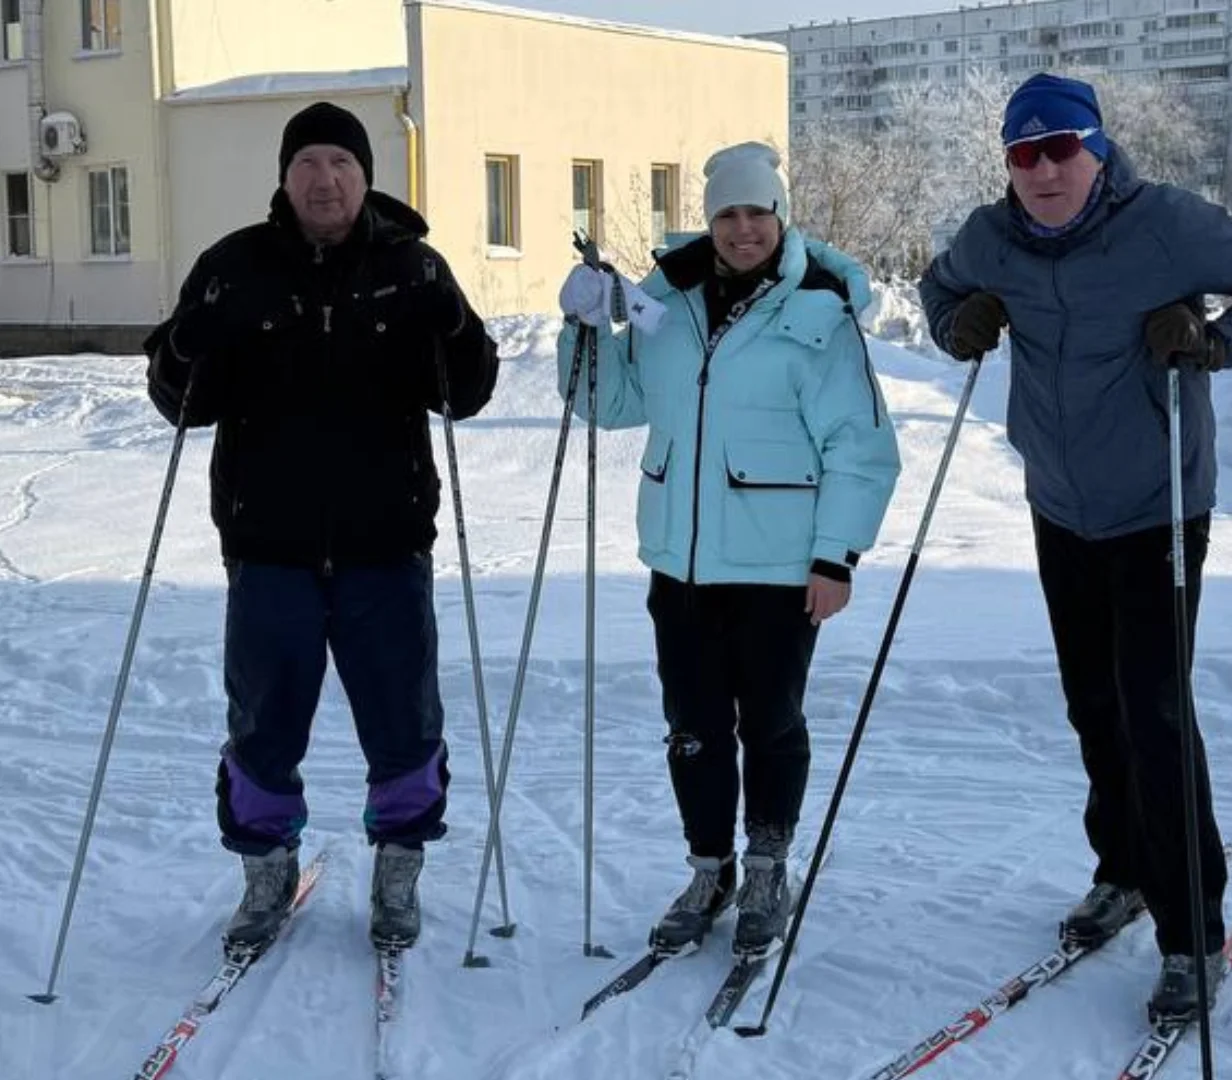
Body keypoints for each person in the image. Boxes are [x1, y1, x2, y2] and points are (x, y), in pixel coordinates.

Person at [920, 73, 1232, 1019]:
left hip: (1158, 504)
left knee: (1154, 712)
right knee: (1093, 703)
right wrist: (960, 324)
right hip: (1059, 505)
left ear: (1098, 150)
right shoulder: (994, 236)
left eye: (1061, 147)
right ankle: (1122, 870)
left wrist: (1216, 339)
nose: (1042, 170)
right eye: (1023, 154)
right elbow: (939, 285)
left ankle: (1191, 931)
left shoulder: (1166, 226)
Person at [144, 101, 500, 955]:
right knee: (263, 722)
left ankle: (399, 871)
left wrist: (453, 323)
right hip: (268, 547)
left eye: (340, 162)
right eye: (307, 163)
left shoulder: (411, 266)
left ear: (365, 175)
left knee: (404, 721)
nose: (324, 179)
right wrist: (185, 342)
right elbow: (176, 403)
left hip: (386, 543)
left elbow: (469, 388)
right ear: (285, 176)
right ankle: (267, 874)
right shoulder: (235, 267)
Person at [556, 142, 902, 958]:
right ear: (707, 220)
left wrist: (835, 557)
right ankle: (710, 868)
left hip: (781, 570)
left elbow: (861, 445)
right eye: (727, 214)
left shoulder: (818, 309)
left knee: (771, 723)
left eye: (757, 213)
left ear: (781, 217)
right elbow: (609, 404)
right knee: (693, 726)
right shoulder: (665, 301)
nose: (743, 229)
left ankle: (768, 865)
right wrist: (582, 329)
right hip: (680, 561)